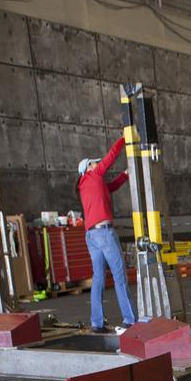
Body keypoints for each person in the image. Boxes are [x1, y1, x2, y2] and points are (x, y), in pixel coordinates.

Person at [76, 137, 137, 334]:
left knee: (99, 278)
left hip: (91, 236)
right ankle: (130, 320)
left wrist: (125, 175)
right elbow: (111, 156)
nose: (98, 163)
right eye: (94, 162)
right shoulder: (93, 176)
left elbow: (112, 186)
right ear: (88, 168)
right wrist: (124, 138)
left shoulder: (87, 185)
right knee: (120, 276)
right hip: (104, 233)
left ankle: (97, 323)